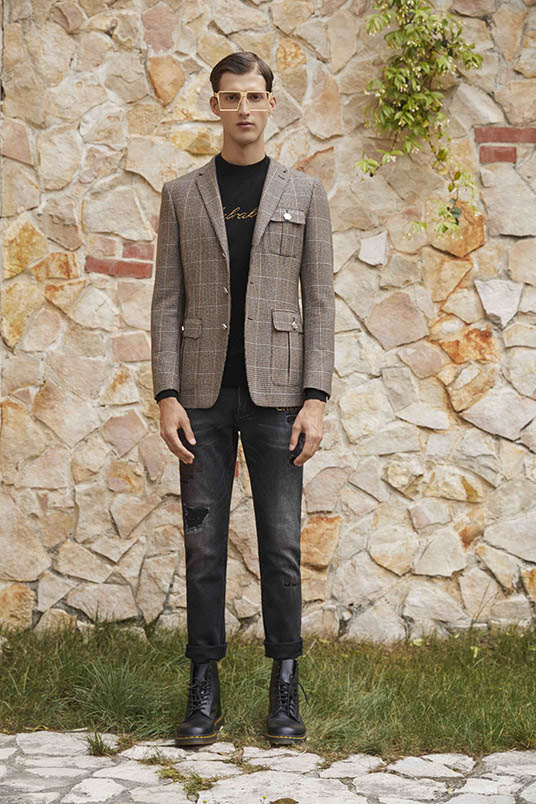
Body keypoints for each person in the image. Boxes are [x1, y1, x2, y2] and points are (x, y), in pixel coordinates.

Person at [150, 51, 335, 748]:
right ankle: (204, 687)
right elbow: (166, 301)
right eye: (232, 97)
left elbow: (320, 302)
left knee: (281, 546)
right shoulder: (181, 194)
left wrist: (315, 398)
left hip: (279, 398)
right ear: (215, 105)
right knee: (202, 548)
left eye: (254, 96)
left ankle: (285, 686)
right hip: (199, 398)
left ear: (271, 103)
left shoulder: (304, 193)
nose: (244, 109)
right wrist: (166, 393)